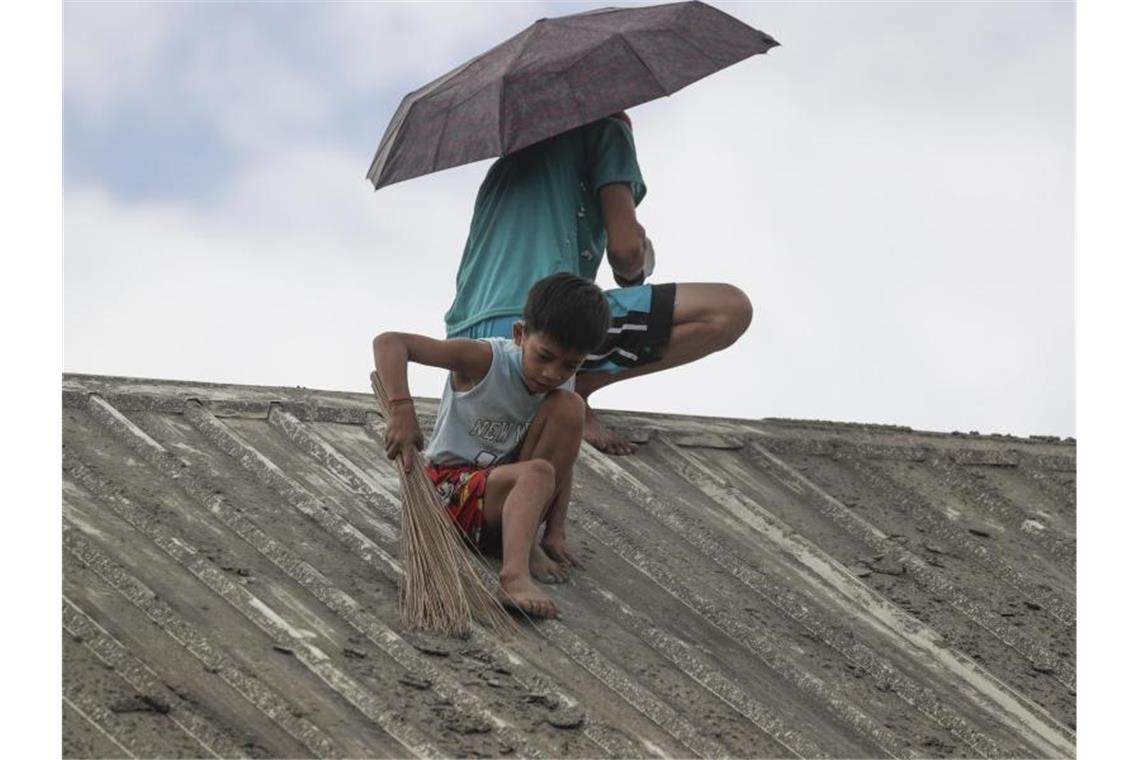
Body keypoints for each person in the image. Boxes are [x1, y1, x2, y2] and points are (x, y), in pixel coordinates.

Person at [444, 111, 753, 455]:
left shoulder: (512, 154)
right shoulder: (607, 125)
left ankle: (562, 385)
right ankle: (573, 389)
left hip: (471, 342)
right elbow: (624, 253)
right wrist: (637, 258)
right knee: (728, 309)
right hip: (544, 325)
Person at [373, 273, 611, 619]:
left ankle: (532, 541)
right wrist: (401, 410)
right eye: (544, 356)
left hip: (505, 507)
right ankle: (513, 577)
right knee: (536, 472)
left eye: (569, 365)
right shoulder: (484, 360)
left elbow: (564, 459)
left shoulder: (561, 382)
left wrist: (556, 531)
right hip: (448, 495)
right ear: (520, 335)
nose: (552, 373)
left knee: (570, 407)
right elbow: (390, 342)